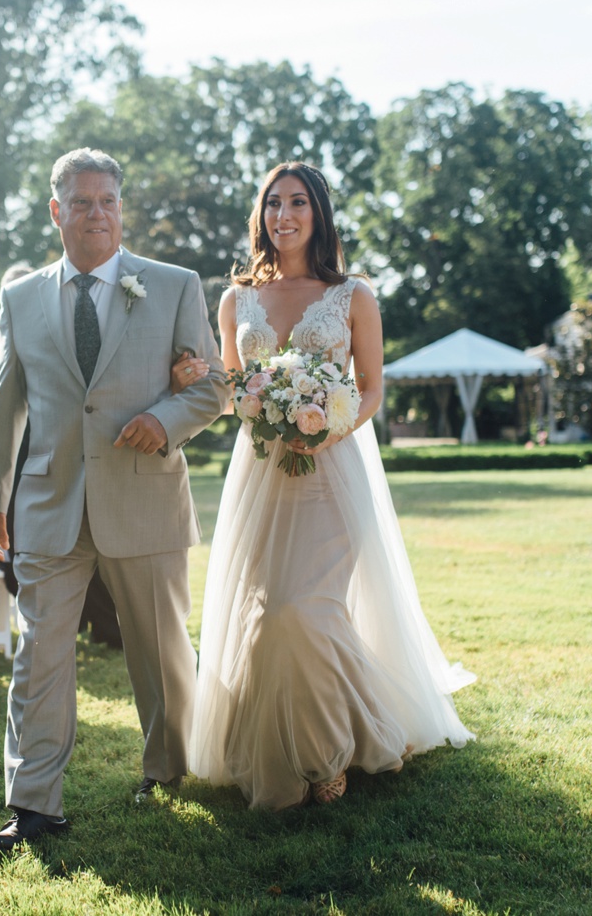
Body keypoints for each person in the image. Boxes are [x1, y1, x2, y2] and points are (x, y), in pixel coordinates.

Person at [188, 161, 475, 811]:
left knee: (306, 610)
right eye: (272, 204)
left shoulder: (355, 296)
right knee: (267, 616)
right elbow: (236, 388)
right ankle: (305, 747)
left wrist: (329, 426)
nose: (282, 215)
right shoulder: (235, 300)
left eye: (297, 203)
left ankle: (334, 753)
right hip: (261, 474)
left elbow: (372, 388)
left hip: (332, 470)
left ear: (318, 214)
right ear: (261, 216)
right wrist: (257, 403)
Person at [0, 148, 228, 854]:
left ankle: (170, 771)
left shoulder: (173, 285)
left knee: (160, 652)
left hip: (145, 499)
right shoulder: (21, 298)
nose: (97, 213)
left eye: (108, 200)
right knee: (39, 657)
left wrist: (166, 420)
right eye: (82, 202)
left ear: (121, 206)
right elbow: (3, 408)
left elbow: (213, 385)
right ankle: (33, 805)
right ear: (57, 211)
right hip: (50, 504)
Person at [0, 263, 124, 648]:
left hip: (84, 457)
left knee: (95, 544)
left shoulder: (74, 321)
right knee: (35, 557)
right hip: (25, 468)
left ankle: (104, 628)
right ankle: (52, 632)